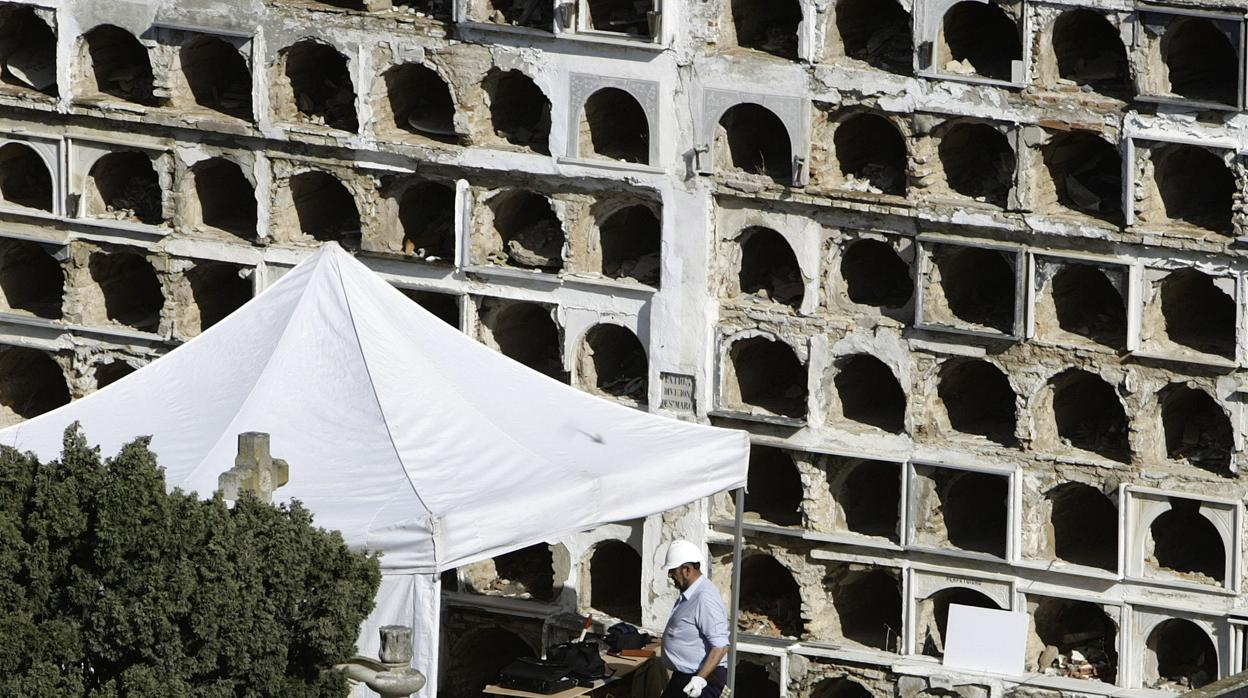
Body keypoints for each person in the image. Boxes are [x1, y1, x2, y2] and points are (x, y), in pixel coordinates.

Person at [660, 540, 729, 698]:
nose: (670, 575)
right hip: (685, 676)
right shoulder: (691, 592)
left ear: (686, 570)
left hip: (703, 680)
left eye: (672, 570)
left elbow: (721, 646)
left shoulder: (704, 597)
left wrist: (699, 679)